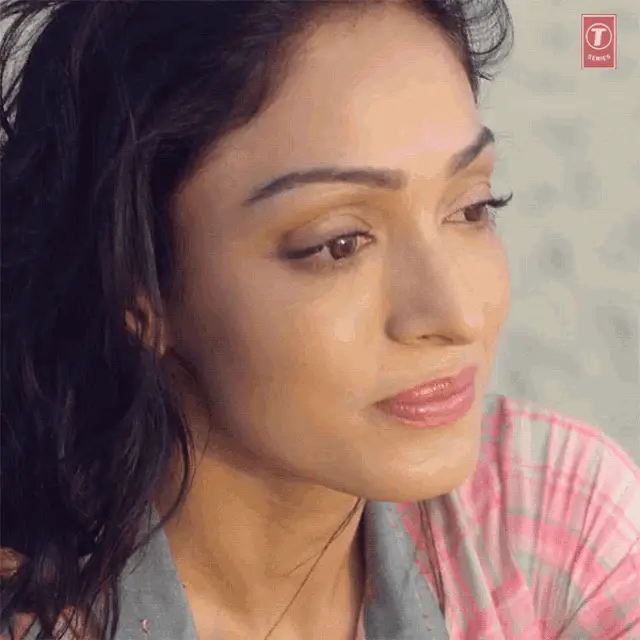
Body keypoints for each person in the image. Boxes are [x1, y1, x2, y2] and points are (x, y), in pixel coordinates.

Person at [1, 0, 639, 638]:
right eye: (339, 244)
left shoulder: (551, 517)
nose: (458, 313)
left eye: (472, 208)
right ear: (139, 290)